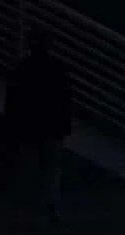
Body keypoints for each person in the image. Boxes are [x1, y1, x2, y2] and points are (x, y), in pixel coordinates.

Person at [5, 28, 77, 217]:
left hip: (29, 125)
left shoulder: (23, 68)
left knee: (30, 166)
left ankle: (31, 205)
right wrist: (65, 124)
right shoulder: (57, 68)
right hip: (51, 125)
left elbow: (13, 99)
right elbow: (65, 99)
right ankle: (50, 204)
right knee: (51, 167)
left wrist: (12, 123)